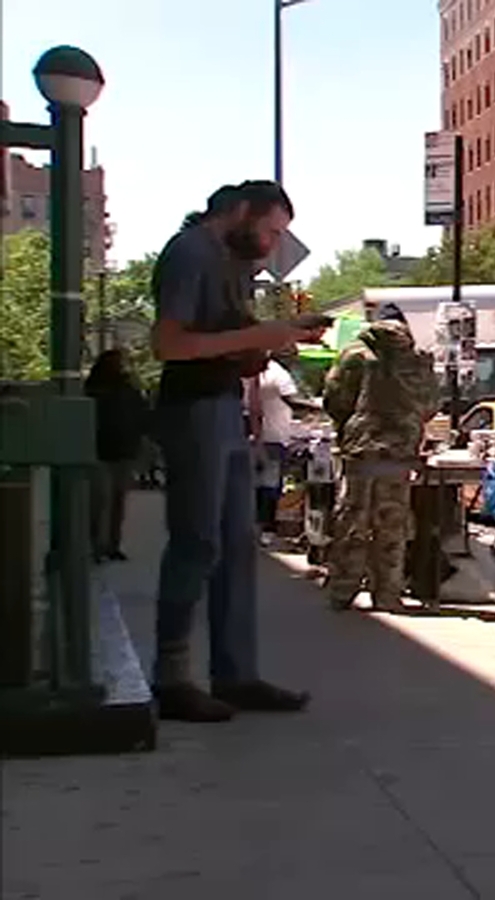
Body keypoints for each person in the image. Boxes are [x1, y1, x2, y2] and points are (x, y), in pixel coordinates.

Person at [149, 180, 325, 723]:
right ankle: (171, 678)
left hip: (222, 405)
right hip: (193, 408)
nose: (272, 243)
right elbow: (168, 344)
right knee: (197, 542)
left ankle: (236, 673)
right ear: (242, 211)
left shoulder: (228, 262)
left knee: (236, 546)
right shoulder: (191, 253)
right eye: (271, 230)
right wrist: (255, 338)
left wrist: (274, 336)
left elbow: (226, 342)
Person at [322, 302, 440, 613]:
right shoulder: (416, 358)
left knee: (352, 518)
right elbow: (430, 404)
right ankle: (387, 594)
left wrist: (351, 424)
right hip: (400, 450)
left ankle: (343, 589)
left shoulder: (355, 354)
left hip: (361, 448)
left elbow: (335, 398)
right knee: (392, 522)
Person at [85, 348, 149, 562]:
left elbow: (141, 414)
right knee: (105, 499)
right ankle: (101, 544)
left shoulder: (124, 388)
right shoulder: (106, 389)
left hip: (117, 449)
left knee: (112, 499)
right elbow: (141, 414)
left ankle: (109, 544)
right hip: (108, 449)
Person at [248, 350, 318, 542]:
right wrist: (319, 408)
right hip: (273, 438)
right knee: (269, 487)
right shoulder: (277, 373)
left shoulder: (252, 370)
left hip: (253, 437)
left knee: (253, 486)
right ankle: (266, 530)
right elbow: (292, 401)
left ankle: (253, 528)